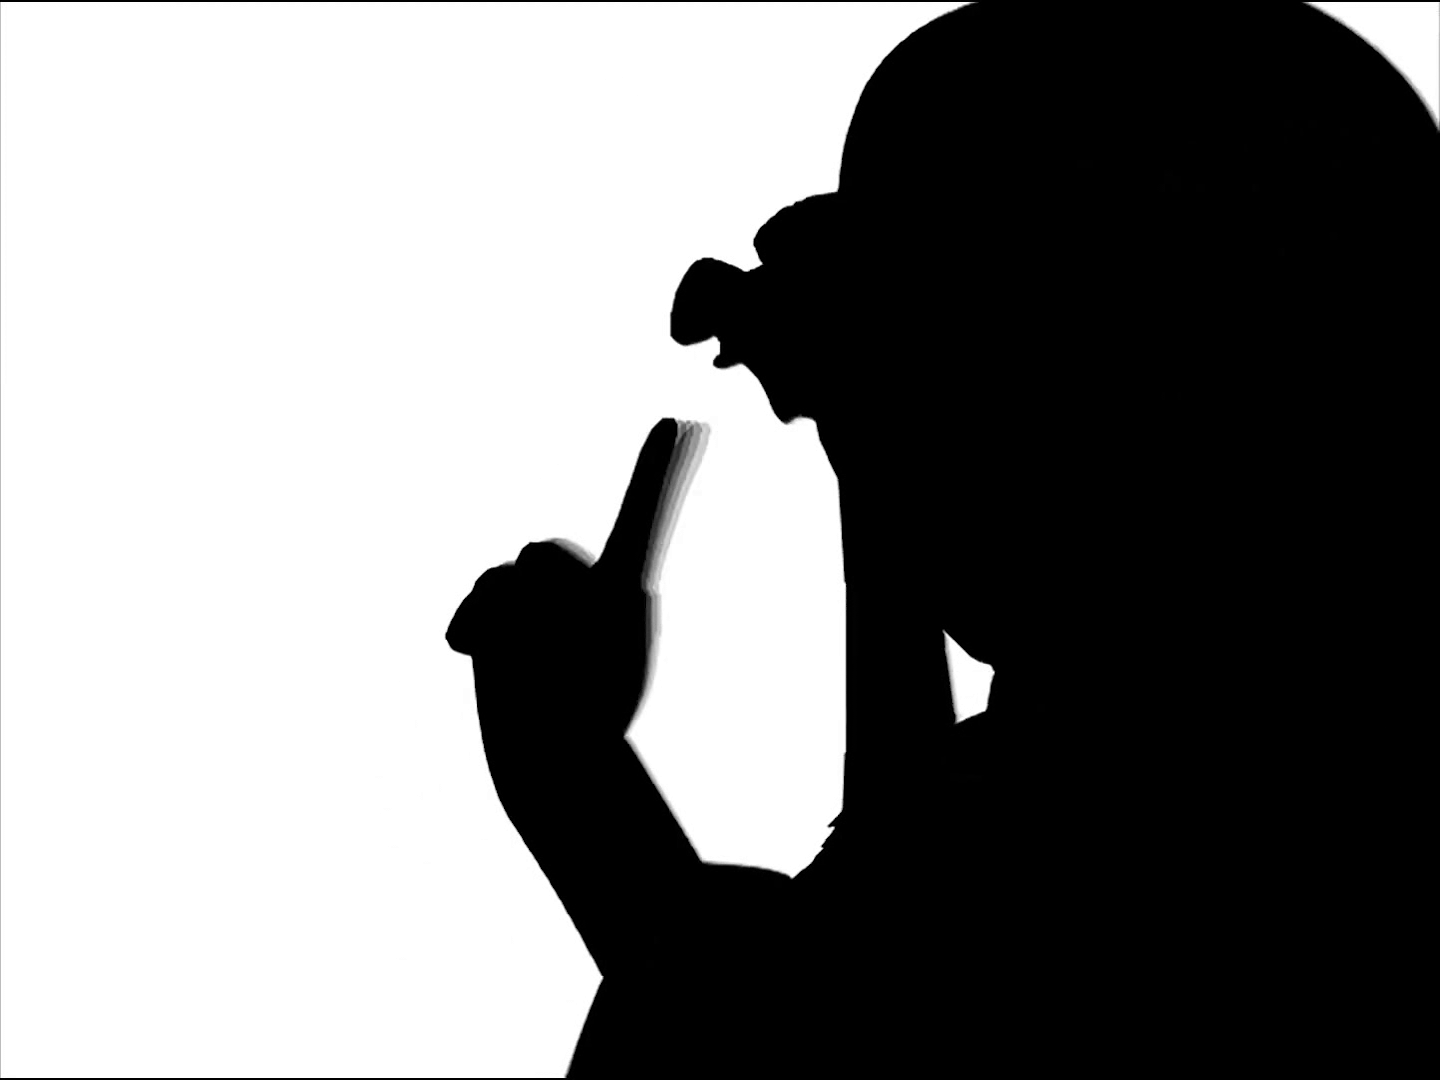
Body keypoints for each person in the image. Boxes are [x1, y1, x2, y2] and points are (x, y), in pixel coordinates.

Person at [448, 5, 1437, 1073]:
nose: (868, 454)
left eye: (947, 372)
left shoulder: (1177, 807)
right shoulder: (1176, 726)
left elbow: (816, 1014)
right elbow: (879, 881)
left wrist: (564, 772)